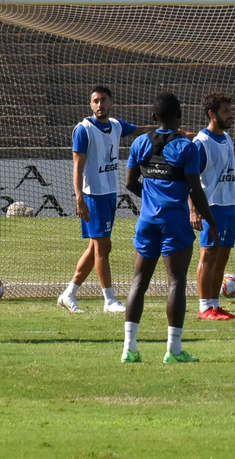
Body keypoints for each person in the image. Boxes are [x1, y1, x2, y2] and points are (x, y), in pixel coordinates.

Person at [121, 93, 216, 363]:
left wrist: (152, 200)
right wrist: (211, 221)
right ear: (180, 116)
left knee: (139, 281)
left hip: (146, 222)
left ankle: (129, 349)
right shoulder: (187, 147)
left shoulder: (140, 143)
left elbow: (129, 183)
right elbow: (195, 189)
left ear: (154, 117)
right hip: (174, 222)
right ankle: (173, 350)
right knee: (176, 281)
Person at [60, 86, 162, 314]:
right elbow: (77, 168)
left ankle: (69, 293)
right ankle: (109, 300)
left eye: (103, 100)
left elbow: (140, 130)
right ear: (90, 104)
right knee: (103, 247)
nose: (100, 105)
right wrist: (79, 198)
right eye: (95, 101)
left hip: (109, 194)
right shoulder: (83, 130)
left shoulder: (116, 125)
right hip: (92, 196)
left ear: (111, 102)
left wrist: (168, 129)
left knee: (97, 247)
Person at [192, 91, 235, 321]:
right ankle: (204, 307)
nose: (231, 115)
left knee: (222, 258)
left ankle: (215, 306)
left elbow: (231, 172)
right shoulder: (201, 142)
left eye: (231, 110)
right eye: (226, 111)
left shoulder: (227, 139)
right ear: (212, 113)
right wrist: (194, 209)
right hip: (211, 207)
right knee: (208, 257)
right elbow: (190, 179)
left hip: (228, 207)